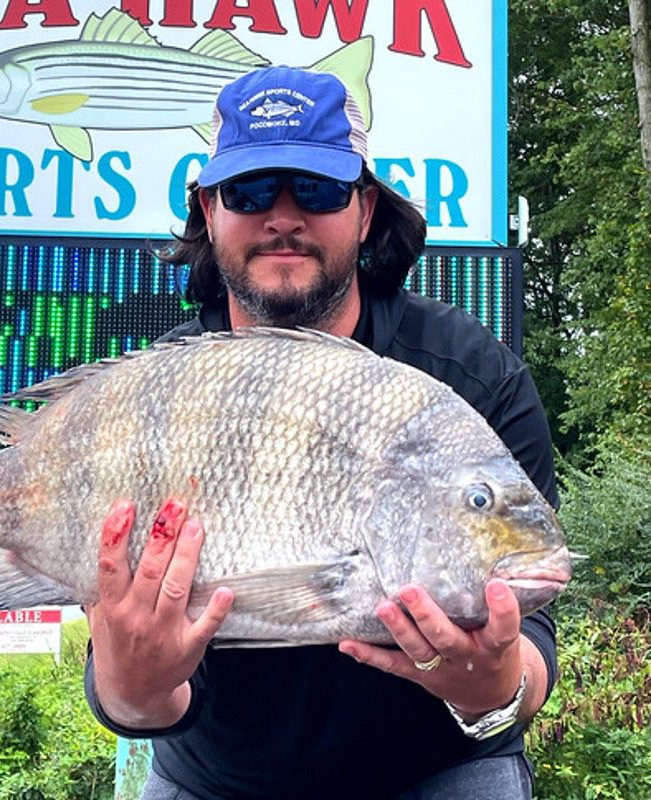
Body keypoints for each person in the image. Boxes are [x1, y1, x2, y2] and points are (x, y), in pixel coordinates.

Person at [83, 66, 559, 799]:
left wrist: (492, 688)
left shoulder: (475, 378)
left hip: (437, 769)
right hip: (216, 777)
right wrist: (132, 688)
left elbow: (532, 657)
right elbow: (137, 700)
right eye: (248, 191)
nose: (282, 217)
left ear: (365, 208)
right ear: (210, 210)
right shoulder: (157, 394)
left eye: (316, 189)